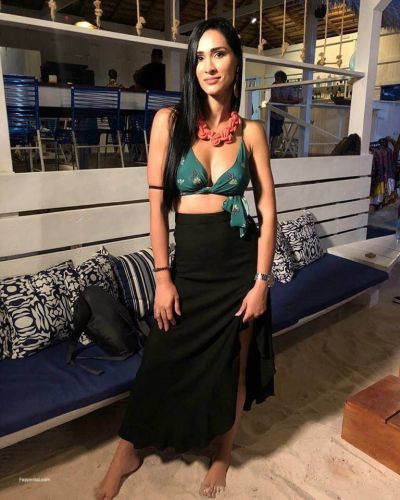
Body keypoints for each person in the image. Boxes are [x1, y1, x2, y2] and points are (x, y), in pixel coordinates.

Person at [95, 17, 277, 500]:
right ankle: (127, 451)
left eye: (219, 53)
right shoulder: (169, 123)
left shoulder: (252, 133)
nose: (208, 66)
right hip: (189, 269)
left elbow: (268, 211)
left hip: (238, 270)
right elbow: (157, 207)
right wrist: (163, 278)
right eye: (199, 57)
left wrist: (261, 282)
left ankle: (222, 453)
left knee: (233, 365)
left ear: (236, 62)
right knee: (160, 358)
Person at [268, 70, 301, 157]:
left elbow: (292, 98)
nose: (276, 81)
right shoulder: (274, 85)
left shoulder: (288, 88)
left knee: (277, 134)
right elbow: (275, 99)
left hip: (281, 114)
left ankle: (272, 152)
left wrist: (296, 100)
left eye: (277, 79)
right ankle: (266, 152)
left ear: (283, 80)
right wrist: (289, 102)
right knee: (269, 133)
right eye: (275, 79)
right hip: (272, 112)